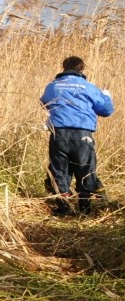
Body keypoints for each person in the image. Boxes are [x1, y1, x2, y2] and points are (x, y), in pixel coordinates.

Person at [40, 56, 114, 215]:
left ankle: (63, 208)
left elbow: (44, 103)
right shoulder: (88, 87)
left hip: (58, 134)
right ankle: (84, 208)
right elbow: (106, 110)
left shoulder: (52, 86)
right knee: (85, 169)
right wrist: (107, 96)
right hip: (82, 134)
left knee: (59, 170)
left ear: (63, 67)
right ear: (81, 69)